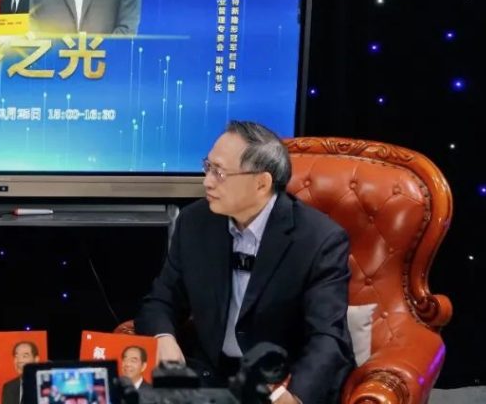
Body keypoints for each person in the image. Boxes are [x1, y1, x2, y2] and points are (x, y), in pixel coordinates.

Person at [134, 121, 354, 404]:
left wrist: (296, 396)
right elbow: (160, 300)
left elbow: (328, 336)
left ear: (261, 183)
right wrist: (163, 337)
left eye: (220, 172)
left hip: (279, 382)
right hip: (208, 378)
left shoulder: (319, 240)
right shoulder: (195, 222)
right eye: (207, 167)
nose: (207, 181)